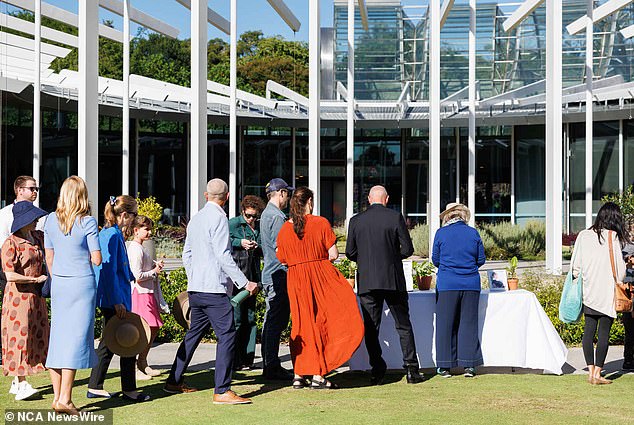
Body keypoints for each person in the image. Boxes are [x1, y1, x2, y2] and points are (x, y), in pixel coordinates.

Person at [164, 179, 258, 405]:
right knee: (227, 336)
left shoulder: (196, 219)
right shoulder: (219, 219)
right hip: (214, 290)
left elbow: (186, 253)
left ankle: (174, 381)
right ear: (226, 198)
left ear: (206, 196)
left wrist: (195, 275)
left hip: (197, 288)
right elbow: (223, 255)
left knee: (193, 335)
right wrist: (245, 283)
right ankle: (222, 390)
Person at [277, 187, 364, 389]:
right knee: (325, 320)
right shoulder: (320, 223)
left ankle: (299, 373)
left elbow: (281, 257)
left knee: (301, 324)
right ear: (309, 202)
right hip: (318, 275)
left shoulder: (285, 229)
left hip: (296, 279)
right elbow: (332, 254)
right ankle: (318, 374)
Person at [345, 185, 423, 385]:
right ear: (386, 199)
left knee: (371, 328)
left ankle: (377, 369)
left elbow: (350, 252)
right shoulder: (395, 217)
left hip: (368, 280)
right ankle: (412, 369)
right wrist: (390, 257)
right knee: (403, 325)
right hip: (393, 279)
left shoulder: (356, 221)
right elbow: (407, 248)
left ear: (369, 199)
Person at [44, 176, 102, 416]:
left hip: (59, 284)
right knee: (76, 341)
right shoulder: (87, 222)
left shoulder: (48, 220)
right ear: (82, 196)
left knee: (58, 339)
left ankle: (58, 397)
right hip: (81, 285)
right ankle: (65, 399)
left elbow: (49, 258)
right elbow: (96, 258)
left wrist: (59, 274)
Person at [87, 195, 150, 402]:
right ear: (124, 215)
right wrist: (117, 300)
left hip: (116, 296)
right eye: (133, 214)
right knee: (127, 340)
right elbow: (107, 271)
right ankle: (129, 390)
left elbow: (118, 268)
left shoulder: (112, 234)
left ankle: (95, 386)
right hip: (115, 298)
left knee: (110, 342)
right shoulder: (111, 235)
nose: (134, 219)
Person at [571, 202, 628, 385]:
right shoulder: (612, 237)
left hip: (588, 291)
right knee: (604, 333)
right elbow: (620, 271)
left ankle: (590, 372)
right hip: (606, 293)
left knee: (588, 332)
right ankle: (597, 374)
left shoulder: (583, 235)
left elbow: (575, 267)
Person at [2, 201, 49, 401]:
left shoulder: (38, 237)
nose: (37, 220)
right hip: (18, 299)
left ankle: (17, 381)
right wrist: (34, 279)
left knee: (35, 336)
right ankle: (21, 383)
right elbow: (10, 275)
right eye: (33, 218)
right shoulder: (10, 243)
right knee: (19, 338)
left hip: (36, 297)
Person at [431, 203, 485, 378]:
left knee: (445, 325)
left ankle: (445, 366)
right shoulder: (473, 233)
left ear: (448, 216)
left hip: (447, 284)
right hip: (470, 283)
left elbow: (435, 260)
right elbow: (481, 259)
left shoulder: (441, 233)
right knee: (468, 324)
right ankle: (469, 365)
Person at [260, 178, 294, 380]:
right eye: (287, 194)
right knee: (275, 322)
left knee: (271, 321)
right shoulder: (277, 217)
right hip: (278, 275)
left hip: (271, 274)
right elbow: (283, 248)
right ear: (280, 193)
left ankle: (270, 363)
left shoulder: (266, 214)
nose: (288, 198)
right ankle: (271, 365)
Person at [128, 215, 168, 380]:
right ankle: (135, 367)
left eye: (150, 228)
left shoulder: (141, 247)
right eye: (146, 229)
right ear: (136, 230)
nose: (150, 232)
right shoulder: (135, 248)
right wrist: (154, 272)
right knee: (142, 331)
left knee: (152, 328)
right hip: (140, 293)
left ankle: (142, 362)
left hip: (147, 293)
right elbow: (137, 275)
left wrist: (154, 267)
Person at [229, 195, 266, 371]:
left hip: (252, 276)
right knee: (236, 319)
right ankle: (234, 359)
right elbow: (222, 242)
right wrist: (239, 242)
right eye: (249, 215)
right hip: (237, 279)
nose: (251, 219)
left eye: (254, 216)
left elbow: (264, 247)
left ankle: (247, 358)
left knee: (250, 318)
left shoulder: (257, 227)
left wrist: (255, 246)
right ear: (243, 211)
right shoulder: (233, 224)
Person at [0, 176, 42, 246]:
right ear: (20, 190)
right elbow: (2, 243)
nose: (35, 192)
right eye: (31, 189)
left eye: (36, 189)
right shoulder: (4, 214)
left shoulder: (39, 214)